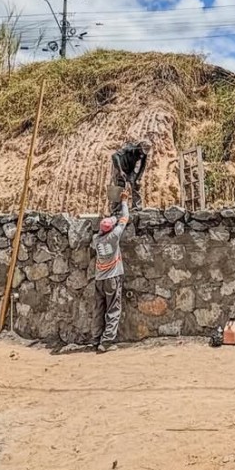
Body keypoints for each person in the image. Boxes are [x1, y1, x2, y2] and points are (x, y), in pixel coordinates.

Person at [91, 200, 129, 353]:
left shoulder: (96, 240)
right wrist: (124, 202)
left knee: (99, 309)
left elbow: (103, 229)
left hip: (99, 279)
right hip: (112, 278)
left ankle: (95, 338)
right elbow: (125, 218)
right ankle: (106, 341)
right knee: (113, 309)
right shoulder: (114, 237)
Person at [108, 138, 151, 212]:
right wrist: (120, 171)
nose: (142, 153)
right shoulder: (129, 148)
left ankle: (137, 207)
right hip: (119, 167)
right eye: (141, 151)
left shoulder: (143, 154)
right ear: (139, 146)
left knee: (136, 185)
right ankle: (115, 209)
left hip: (130, 169)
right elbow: (114, 156)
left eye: (144, 153)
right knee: (118, 186)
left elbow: (143, 166)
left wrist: (138, 178)